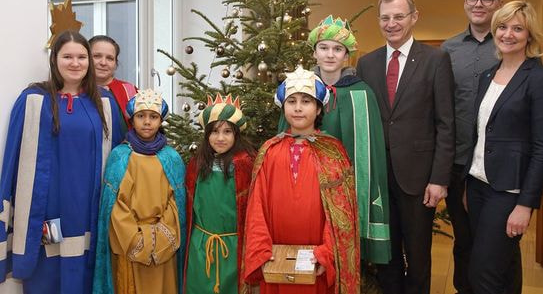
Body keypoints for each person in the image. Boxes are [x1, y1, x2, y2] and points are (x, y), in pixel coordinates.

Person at [0, 30, 123, 294]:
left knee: (85, 274)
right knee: (48, 271)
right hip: (47, 216)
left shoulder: (104, 102)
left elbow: (119, 159)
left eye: (81, 57)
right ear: (55, 59)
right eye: (68, 56)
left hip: (89, 213)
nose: (75, 63)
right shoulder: (33, 101)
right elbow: (12, 162)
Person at [279, 15, 390, 291]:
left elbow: (371, 154)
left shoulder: (362, 93)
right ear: (314, 51)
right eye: (324, 47)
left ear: (347, 55)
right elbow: (284, 140)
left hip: (347, 193)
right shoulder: (298, 92)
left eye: (337, 49)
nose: (330, 54)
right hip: (306, 192)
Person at [356, 0, 455, 294]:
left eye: (399, 16)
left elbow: (446, 124)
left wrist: (439, 179)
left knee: (418, 255)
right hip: (379, 179)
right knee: (386, 258)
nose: (391, 23)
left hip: (418, 178)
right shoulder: (366, 63)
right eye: (385, 17)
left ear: (414, 17)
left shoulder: (436, 59)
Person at [464, 1, 543, 294]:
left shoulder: (542, 79)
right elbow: (480, 134)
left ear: (529, 36)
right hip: (479, 185)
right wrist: (469, 183)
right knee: (505, 268)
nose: (508, 34)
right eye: (503, 27)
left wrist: (525, 204)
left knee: (482, 274)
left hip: (509, 192)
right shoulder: (487, 76)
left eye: (518, 28)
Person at [244, 66, 360, 294]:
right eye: (292, 101)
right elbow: (256, 207)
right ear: (283, 106)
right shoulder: (269, 151)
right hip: (274, 257)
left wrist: (326, 253)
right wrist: (261, 249)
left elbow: (341, 214)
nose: (298, 108)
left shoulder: (333, 152)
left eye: (306, 101)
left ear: (318, 109)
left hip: (315, 261)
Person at [441, 0, 504, 294]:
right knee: (464, 240)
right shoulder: (448, 49)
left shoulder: (509, 44)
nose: (478, 4)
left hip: (500, 166)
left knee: (497, 243)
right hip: (459, 162)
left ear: (499, 4)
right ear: (465, 2)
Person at [93, 88, 186, 294]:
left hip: (164, 250)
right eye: (141, 116)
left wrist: (159, 240)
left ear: (160, 121)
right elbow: (115, 207)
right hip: (130, 246)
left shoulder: (171, 158)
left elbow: (175, 204)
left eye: (153, 117)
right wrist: (137, 241)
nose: (147, 122)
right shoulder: (120, 156)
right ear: (132, 120)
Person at [183, 93, 255, 294]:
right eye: (214, 131)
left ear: (236, 135)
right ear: (207, 136)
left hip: (233, 248)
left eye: (227, 132)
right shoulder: (196, 165)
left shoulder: (246, 165)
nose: (220, 138)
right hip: (200, 247)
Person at [89, 35, 137, 130]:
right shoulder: (75, 89)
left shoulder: (130, 91)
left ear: (115, 63)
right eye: (97, 56)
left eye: (110, 58)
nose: (103, 62)